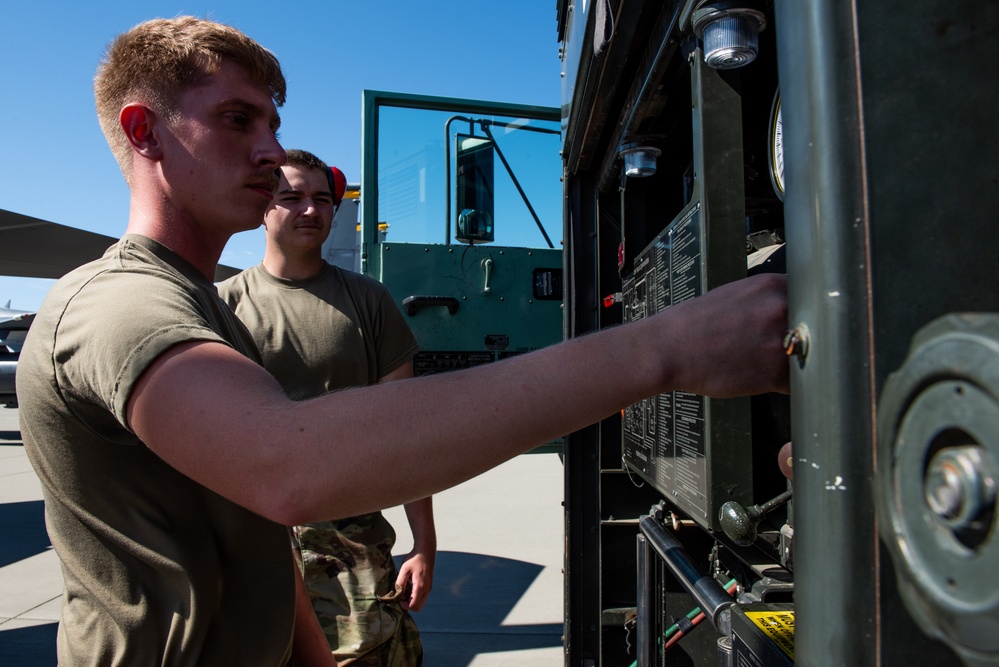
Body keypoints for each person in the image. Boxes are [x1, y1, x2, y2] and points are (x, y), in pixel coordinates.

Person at [16, 15, 789, 665]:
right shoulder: (116, 304)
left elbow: (253, 534)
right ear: (144, 131)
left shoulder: (207, 310)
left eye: (273, 123)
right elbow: (287, 465)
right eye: (236, 119)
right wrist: (663, 350)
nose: (270, 149)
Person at [218, 149, 434, 666]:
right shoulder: (221, 305)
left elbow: (402, 432)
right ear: (263, 207)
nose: (309, 210)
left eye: (321, 199)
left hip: (353, 548)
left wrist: (424, 542)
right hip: (252, 540)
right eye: (290, 196)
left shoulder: (370, 302)